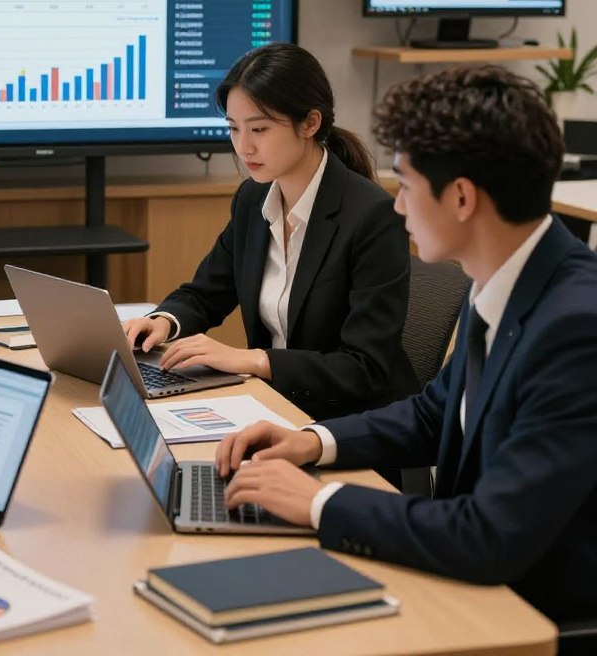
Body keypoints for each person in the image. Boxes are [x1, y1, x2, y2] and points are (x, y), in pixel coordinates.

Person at [215, 64, 597, 625]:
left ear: (462, 198)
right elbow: (431, 414)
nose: (397, 206)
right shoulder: (503, 277)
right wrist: (310, 442)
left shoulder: (575, 329)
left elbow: (489, 536)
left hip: (526, 615)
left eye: (408, 186)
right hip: (465, 575)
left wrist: (317, 502)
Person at [124, 43, 417, 420]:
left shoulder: (371, 216)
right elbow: (206, 293)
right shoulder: (253, 198)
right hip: (274, 407)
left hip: (347, 424)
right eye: (233, 128)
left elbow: (364, 367)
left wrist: (253, 360)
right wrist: (162, 322)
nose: (244, 146)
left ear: (310, 124)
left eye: (259, 128)